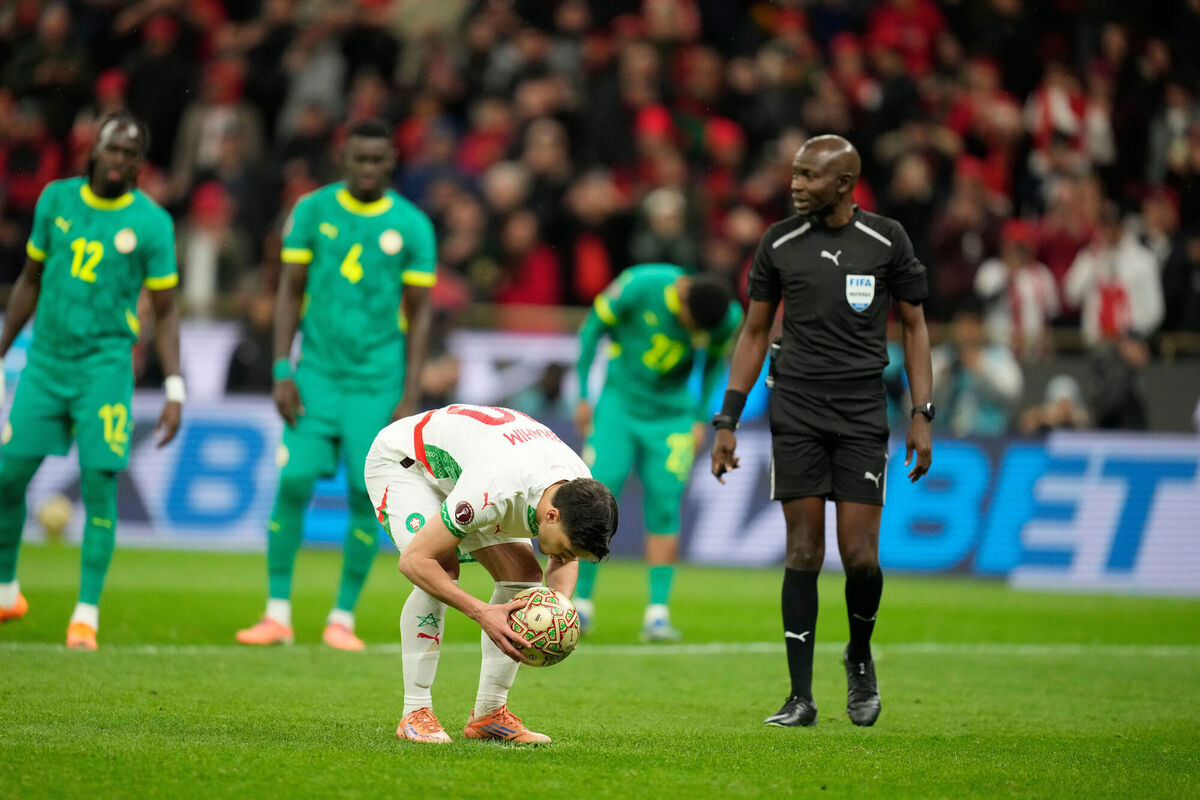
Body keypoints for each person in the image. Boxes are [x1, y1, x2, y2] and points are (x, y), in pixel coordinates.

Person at [710, 135, 933, 728]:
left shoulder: (887, 240)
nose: (796, 184)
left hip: (862, 411)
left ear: (844, 183)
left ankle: (859, 656)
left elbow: (914, 327)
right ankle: (800, 696)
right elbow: (755, 333)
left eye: (809, 176)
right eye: (795, 174)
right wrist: (727, 419)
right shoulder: (779, 242)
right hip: (797, 411)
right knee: (804, 549)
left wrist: (921, 413)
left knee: (860, 558)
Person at [236, 119, 436, 651]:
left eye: (379, 161)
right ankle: (277, 613)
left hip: (376, 382)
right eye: (360, 160)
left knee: (362, 494)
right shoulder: (311, 210)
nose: (368, 169)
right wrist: (282, 367)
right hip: (316, 375)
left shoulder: (412, 226)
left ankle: (341, 618)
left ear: (391, 163)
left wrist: (411, 391)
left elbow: (420, 317)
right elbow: (287, 293)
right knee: (294, 480)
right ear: (344, 159)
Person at [0, 112, 183, 650]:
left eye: (130, 153)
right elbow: (30, 280)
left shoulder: (151, 223)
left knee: (101, 484)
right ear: (94, 149)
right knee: (8, 478)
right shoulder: (56, 200)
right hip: (46, 363)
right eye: (112, 149)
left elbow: (168, 313)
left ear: (139, 163)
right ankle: (7, 588)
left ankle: (85, 614)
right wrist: (4, 346)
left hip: (105, 367)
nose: (119, 160)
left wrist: (175, 387)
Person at [364, 403, 618, 744]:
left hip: (469, 471)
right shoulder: (496, 490)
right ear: (552, 516)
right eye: (568, 550)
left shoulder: (577, 492)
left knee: (526, 576)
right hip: (407, 463)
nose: (564, 557)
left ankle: (489, 714)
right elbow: (414, 561)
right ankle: (415, 712)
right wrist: (483, 613)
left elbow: (562, 562)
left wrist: (556, 613)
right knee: (440, 564)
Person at [572, 265, 742, 640]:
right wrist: (583, 394)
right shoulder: (640, 285)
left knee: (666, 505)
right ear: (682, 298)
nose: (694, 334)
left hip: (672, 418)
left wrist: (701, 418)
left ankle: (657, 615)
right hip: (619, 407)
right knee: (593, 498)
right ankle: (580, 605)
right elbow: (590, 332)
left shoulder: (725, 317)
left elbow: (714, 364)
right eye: (689, 323)